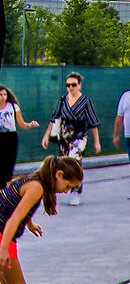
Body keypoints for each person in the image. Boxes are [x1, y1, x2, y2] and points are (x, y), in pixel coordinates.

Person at [0, 156, 83, 284]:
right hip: (2, 235)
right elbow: (13, 219)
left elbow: (17, 206)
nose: (66, 191)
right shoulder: (37, 187)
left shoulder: (33, 180)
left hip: (3, 233)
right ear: (59, 174)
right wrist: (4, 249)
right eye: (68, 186)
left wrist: (28, 223)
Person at [42, 72, 100, 205]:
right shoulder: (63, 99)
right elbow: (54, 118)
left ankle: (76, 191)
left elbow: (93, 123)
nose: (70, 87)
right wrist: (46, 135)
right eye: (68, 85)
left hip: (79, 137)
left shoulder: (85, 101)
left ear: (79, 85)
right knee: (64, 163)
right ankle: (64, 187)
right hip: (64, 137)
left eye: (73, 85)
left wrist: (97, 141)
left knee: (75, 162)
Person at [0, 86, 39, 185]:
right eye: (0, 95)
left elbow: (21, 124)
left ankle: (6, 188)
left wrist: (30, 124)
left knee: (9, 163)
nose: (3, 97)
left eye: (4, 94)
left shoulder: (13, 107)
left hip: (10, 137)